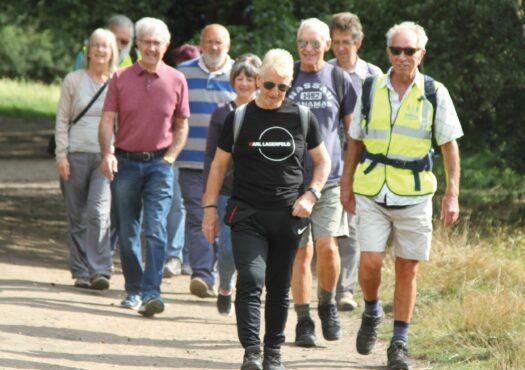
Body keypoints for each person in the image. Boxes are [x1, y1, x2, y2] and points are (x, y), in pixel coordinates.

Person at [340, 21, 462, 370]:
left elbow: (450, 148)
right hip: (371, 188)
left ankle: (399, 343)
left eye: (410, 51)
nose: (403, 57)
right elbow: (355, 141)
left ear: (421, 53)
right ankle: (371, 307)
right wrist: (346, 185)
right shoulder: (370, 88)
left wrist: (451, 194)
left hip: (415, 192)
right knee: (370, 262)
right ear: (387, 52)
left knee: (407, 270)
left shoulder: (436, 93)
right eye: (397, 50)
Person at [202, 48, 330, 370]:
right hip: (246, 213)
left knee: (278, 285)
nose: (275, 93)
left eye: (283, 87)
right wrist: (209, 209)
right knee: (250, 278)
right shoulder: (240, 117)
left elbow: (322, 162)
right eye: (270, 85)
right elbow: (218, 167)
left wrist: (311, 194)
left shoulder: (302, 117)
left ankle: (273, 351)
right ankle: (252, 353)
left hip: (288, 216)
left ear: (291, 86)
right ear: (259, 80)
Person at [99, 17, 190, 317]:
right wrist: (106, 153)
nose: (151, 48)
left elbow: (182, 124)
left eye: (157, 43)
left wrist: (171, 157)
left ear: (166, 46)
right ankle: (133, 289)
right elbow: (107, 119)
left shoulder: (177, 80)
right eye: (146, 42)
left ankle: (152, 292)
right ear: (137, 45)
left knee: (156, 230)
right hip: (124, 162)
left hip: (160, 166)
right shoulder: (120, 78)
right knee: (127, 232)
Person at [286, 18, 357, 347]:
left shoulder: (339, 78)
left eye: (315, 43)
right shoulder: (288, 76)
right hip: (290, 182)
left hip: (329, 180)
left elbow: (352, 133)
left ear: (327, 44)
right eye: (303, 43)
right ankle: (303, 320)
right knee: (301, 255)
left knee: (328, 247)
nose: (309, 49)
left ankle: (327, 304)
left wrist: (350, 178)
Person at [55, 28, 119, 290]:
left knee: (98, 212)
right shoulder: (73, 80)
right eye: (96, 45)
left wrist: (115, 153)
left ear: (112, 51)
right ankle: (81, 271)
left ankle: (100, 270)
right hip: (75, 154)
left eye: (105, 46)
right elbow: (61, 119)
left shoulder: (118, 80)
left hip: (105, 156)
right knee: (77, 215)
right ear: (88, 50)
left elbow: (123, 122)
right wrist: (61, 155)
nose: (100, 50)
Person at [328, 12, 383, 312]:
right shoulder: (323, 72)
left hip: (361, 162)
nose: (340, 48)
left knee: (351, 225)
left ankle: (344, 290)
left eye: (345, 42)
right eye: (335, 42)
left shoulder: (373, 76)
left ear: (358, 42)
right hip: (328, 161)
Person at [176, 24, 236, 298]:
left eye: (219, 43)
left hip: (230, 166)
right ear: (201, 44)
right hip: (191, 161)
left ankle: (223, 274)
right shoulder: (184, 73)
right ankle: (202, 274)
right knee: (198, 216)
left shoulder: (240, 74)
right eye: (209, 42)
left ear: (228, 45)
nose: (214, 47)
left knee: (226, 223)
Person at [203, 53, 262, 315]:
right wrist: (210, 200)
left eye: (249, 78)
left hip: (258, 193)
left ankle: (247, 296)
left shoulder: (265, 112)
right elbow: (211, 158)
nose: (244, 83)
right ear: (232, 81)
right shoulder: (222, 113)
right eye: (239, 78)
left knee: (255, 251)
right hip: (228, 192)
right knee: (227, 249)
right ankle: (225, 286)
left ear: (258, 82)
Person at [164, 44, 201, 278]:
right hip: (177, 155)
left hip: (199, 157)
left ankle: (188, 258)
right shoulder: (174, 81)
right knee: (179, 207)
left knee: (189, 209)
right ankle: (176, 256)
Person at [73, 15, 139, 71]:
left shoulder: (139, 59)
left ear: (131, 41)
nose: (118, 46)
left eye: (124, 42)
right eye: (114, 39)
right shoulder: (86, 54)